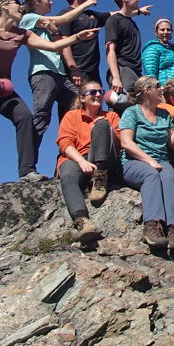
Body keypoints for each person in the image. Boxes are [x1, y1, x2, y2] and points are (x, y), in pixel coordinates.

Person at [0, 0, 98, 194]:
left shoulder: (21, 33)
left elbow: (53, 46)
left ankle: (27, 171)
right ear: (4, 7)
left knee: (25, 118)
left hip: (1, 91)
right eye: (16, 3)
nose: (21, 6)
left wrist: (77, 37)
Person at [19, 0, 100, 153]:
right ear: (36, 2)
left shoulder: (47, 24)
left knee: (80, 106)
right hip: (43, 73)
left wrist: (55, 31)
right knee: (42, 117)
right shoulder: (29, 18)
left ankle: (82, 151)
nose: (51, 2)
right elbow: (64, 18)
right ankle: (27, 168)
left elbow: (59, 42)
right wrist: (86, 4)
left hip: (61, 75)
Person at [119, 75, 174, 254]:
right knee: (151, 175)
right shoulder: (132, 112)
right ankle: (152, 225)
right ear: (147, 91)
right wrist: (149, 161)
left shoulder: (164, 114)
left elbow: (172, 144)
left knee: (168, 177)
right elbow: (126, 142)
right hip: (134, 162)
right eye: (157, 86)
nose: (162, 89)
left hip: (161, 160)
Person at [55, 81, 121, 242]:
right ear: (82, 98)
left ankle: (99, 178)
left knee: (102, 125)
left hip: (105, 159)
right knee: (67, 174)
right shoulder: (72, 116)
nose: (98, 95)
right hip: (78, 157)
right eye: (93, 92)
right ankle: (82, 222)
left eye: (100, 91)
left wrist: (108, 131)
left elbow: (120, 144)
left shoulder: (111, 116)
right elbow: (65, 143)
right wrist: (81, 162)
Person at [58, 0, 153, 86]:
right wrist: (73, 70)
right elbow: (64, 44)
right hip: (77, 71)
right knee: (77, 101)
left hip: (93, 72)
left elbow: (119, 14)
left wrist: (139, 11)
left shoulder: (91, 15)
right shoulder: (65, 16)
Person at [105, 0, 152, 114]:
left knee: (137, 109)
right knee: (121, 106)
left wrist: (140, 12)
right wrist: (116, 77)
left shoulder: (131, 22)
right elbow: (110, 50)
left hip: (135, 71)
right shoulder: (113, 20)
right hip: (123, 70)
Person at [142, 18, 174, 84]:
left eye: (168, 30)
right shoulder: (152, 49)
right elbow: (151, 75)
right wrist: (157, 91)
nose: (165, 32)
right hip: (164, 90)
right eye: (162, 30)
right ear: (156, 32)